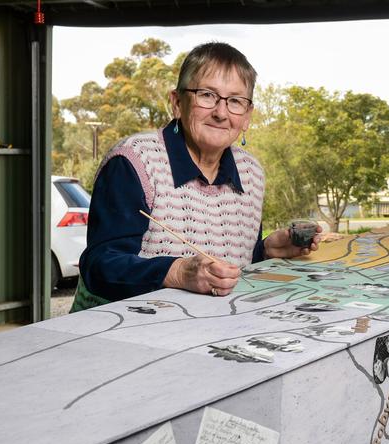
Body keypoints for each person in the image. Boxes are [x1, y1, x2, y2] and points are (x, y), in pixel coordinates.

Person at [72, 42, 320, 312]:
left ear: (247, 116)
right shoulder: (133, 162)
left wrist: (264, 252)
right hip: (114, 332)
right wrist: (177, 272)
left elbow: (229, 262)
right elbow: (99, 267)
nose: (221, 113)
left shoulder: (252, 173)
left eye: (235, 101)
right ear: (178, 103)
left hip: (202, 332)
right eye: (207, 95)